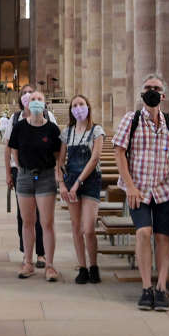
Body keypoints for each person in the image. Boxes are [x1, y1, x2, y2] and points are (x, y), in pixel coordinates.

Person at [113, 73, 169, 312]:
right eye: (147, 87)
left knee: (163, 237)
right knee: (144, 233)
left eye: (156, 87)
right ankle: (146, 287)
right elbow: (120, 153)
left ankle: (162, 287)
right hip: (139, 190)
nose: (151, 91)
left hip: (165, 189)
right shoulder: (130, 120)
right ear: (141, 93)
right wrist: (130, 186)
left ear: (163, 94)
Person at [8, 90, 62, 280]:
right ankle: (28, 262)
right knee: (27, 222)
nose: (36, 102)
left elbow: (58, 154)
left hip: (45, 177)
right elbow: (13, 149)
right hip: (24, 177)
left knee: (46, 222)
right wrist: (21, 167)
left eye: (40, 99)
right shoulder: (20, 126)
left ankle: (49, 265)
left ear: (45, 103)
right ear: (27, 104)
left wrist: (55, 172)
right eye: (33, 99)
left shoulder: (52, 129)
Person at [56, 95, 104, 284]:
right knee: (76, 227)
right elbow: (60, 160)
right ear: (71, 110)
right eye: (74, 105)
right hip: (70, 181)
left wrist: (78, 183)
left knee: (89, 228)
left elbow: (95, 158)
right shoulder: (67, 132)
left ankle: (94, 265)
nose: (78, 108)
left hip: (90, 180)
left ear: (88, 107)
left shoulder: (96, 130)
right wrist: (61, 183)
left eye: (81, 104)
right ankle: (82, 267)